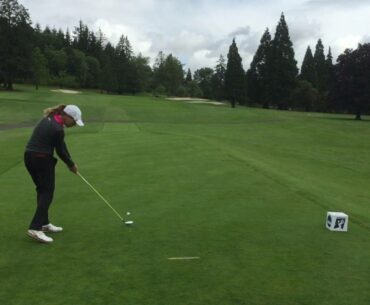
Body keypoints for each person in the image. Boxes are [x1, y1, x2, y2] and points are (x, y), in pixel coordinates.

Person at [24, 104, 84, 243]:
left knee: (42, 190)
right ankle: (35, 228)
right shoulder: (57, 129)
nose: (74, 124)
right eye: (74, 121)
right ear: (67, 116)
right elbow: (61, 151)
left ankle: (44, 224)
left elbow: (62, 146)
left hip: (30, 157)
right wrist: (71, 165)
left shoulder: (49, 118)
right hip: (41, 160)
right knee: (47, 192)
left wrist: (71, 163)